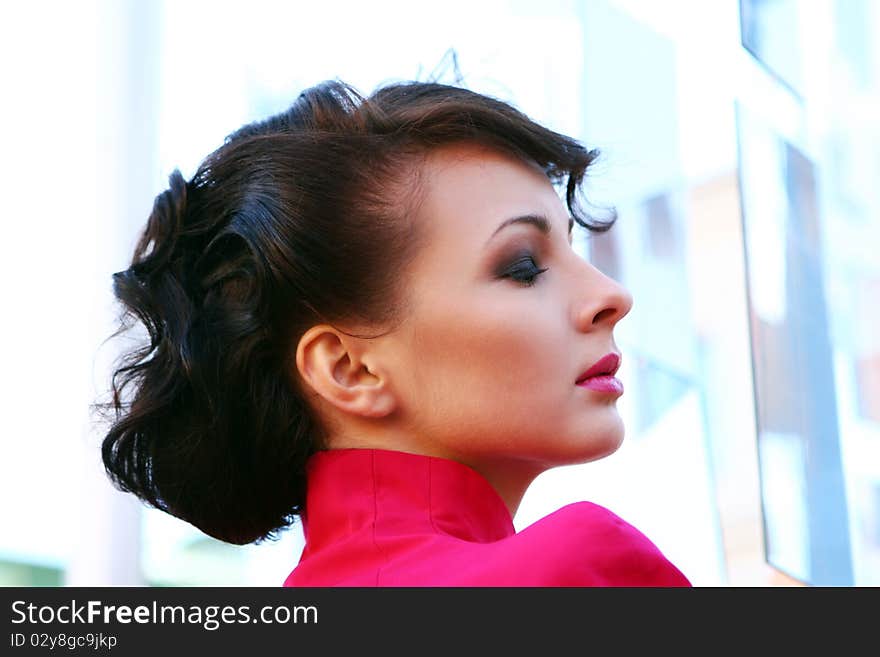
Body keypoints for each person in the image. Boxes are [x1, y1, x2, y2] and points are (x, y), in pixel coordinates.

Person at [101, 78, 691, 587]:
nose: (610, 297)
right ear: (348, 369)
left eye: (573, 245)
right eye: (522, 268)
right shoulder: (577, 571)